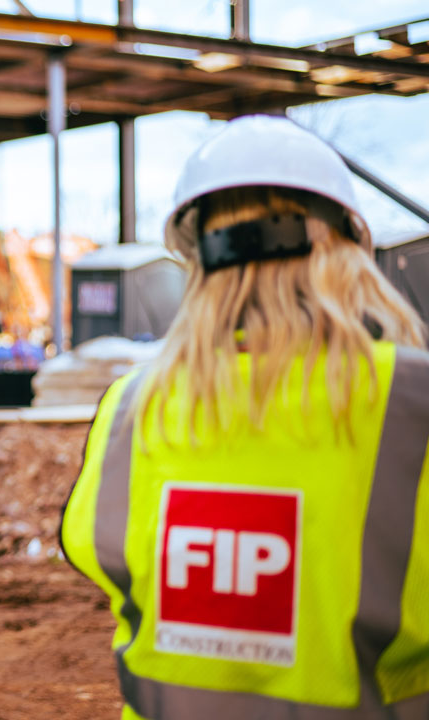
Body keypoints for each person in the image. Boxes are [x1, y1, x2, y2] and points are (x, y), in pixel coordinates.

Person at [61, 114, 429, 719]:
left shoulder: (132, 407)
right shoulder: (408, 402)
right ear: (344, 250)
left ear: (197, 261)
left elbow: (95, 554)